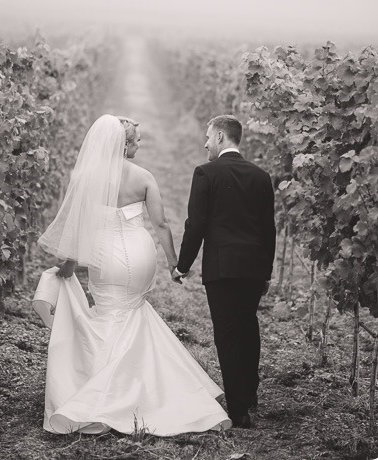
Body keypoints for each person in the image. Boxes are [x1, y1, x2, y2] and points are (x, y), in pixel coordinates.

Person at [32, 114, 231, 436]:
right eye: (136, 141)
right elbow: (162, 224)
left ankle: (106, 388)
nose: (139, 145)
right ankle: (144, 383)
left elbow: (78, 227)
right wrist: (172, 263)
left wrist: (68, 266)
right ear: (123, 145)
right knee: (132, 311)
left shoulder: (87, 177)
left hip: (105, 257)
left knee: (110, 312)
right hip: (140, 255)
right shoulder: (143, 177)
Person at [173, 115, 276, 429]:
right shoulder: (261, 176)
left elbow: (196, 225)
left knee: (227, 335)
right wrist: (267, 273)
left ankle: (239, 409)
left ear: (220, 136)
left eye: (207, 137)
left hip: (221, 269)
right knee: (248, 327)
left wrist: (182, 265)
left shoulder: (206, 173)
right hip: (253, 268)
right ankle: (249, 393)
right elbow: (269, 230)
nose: (205, 143)